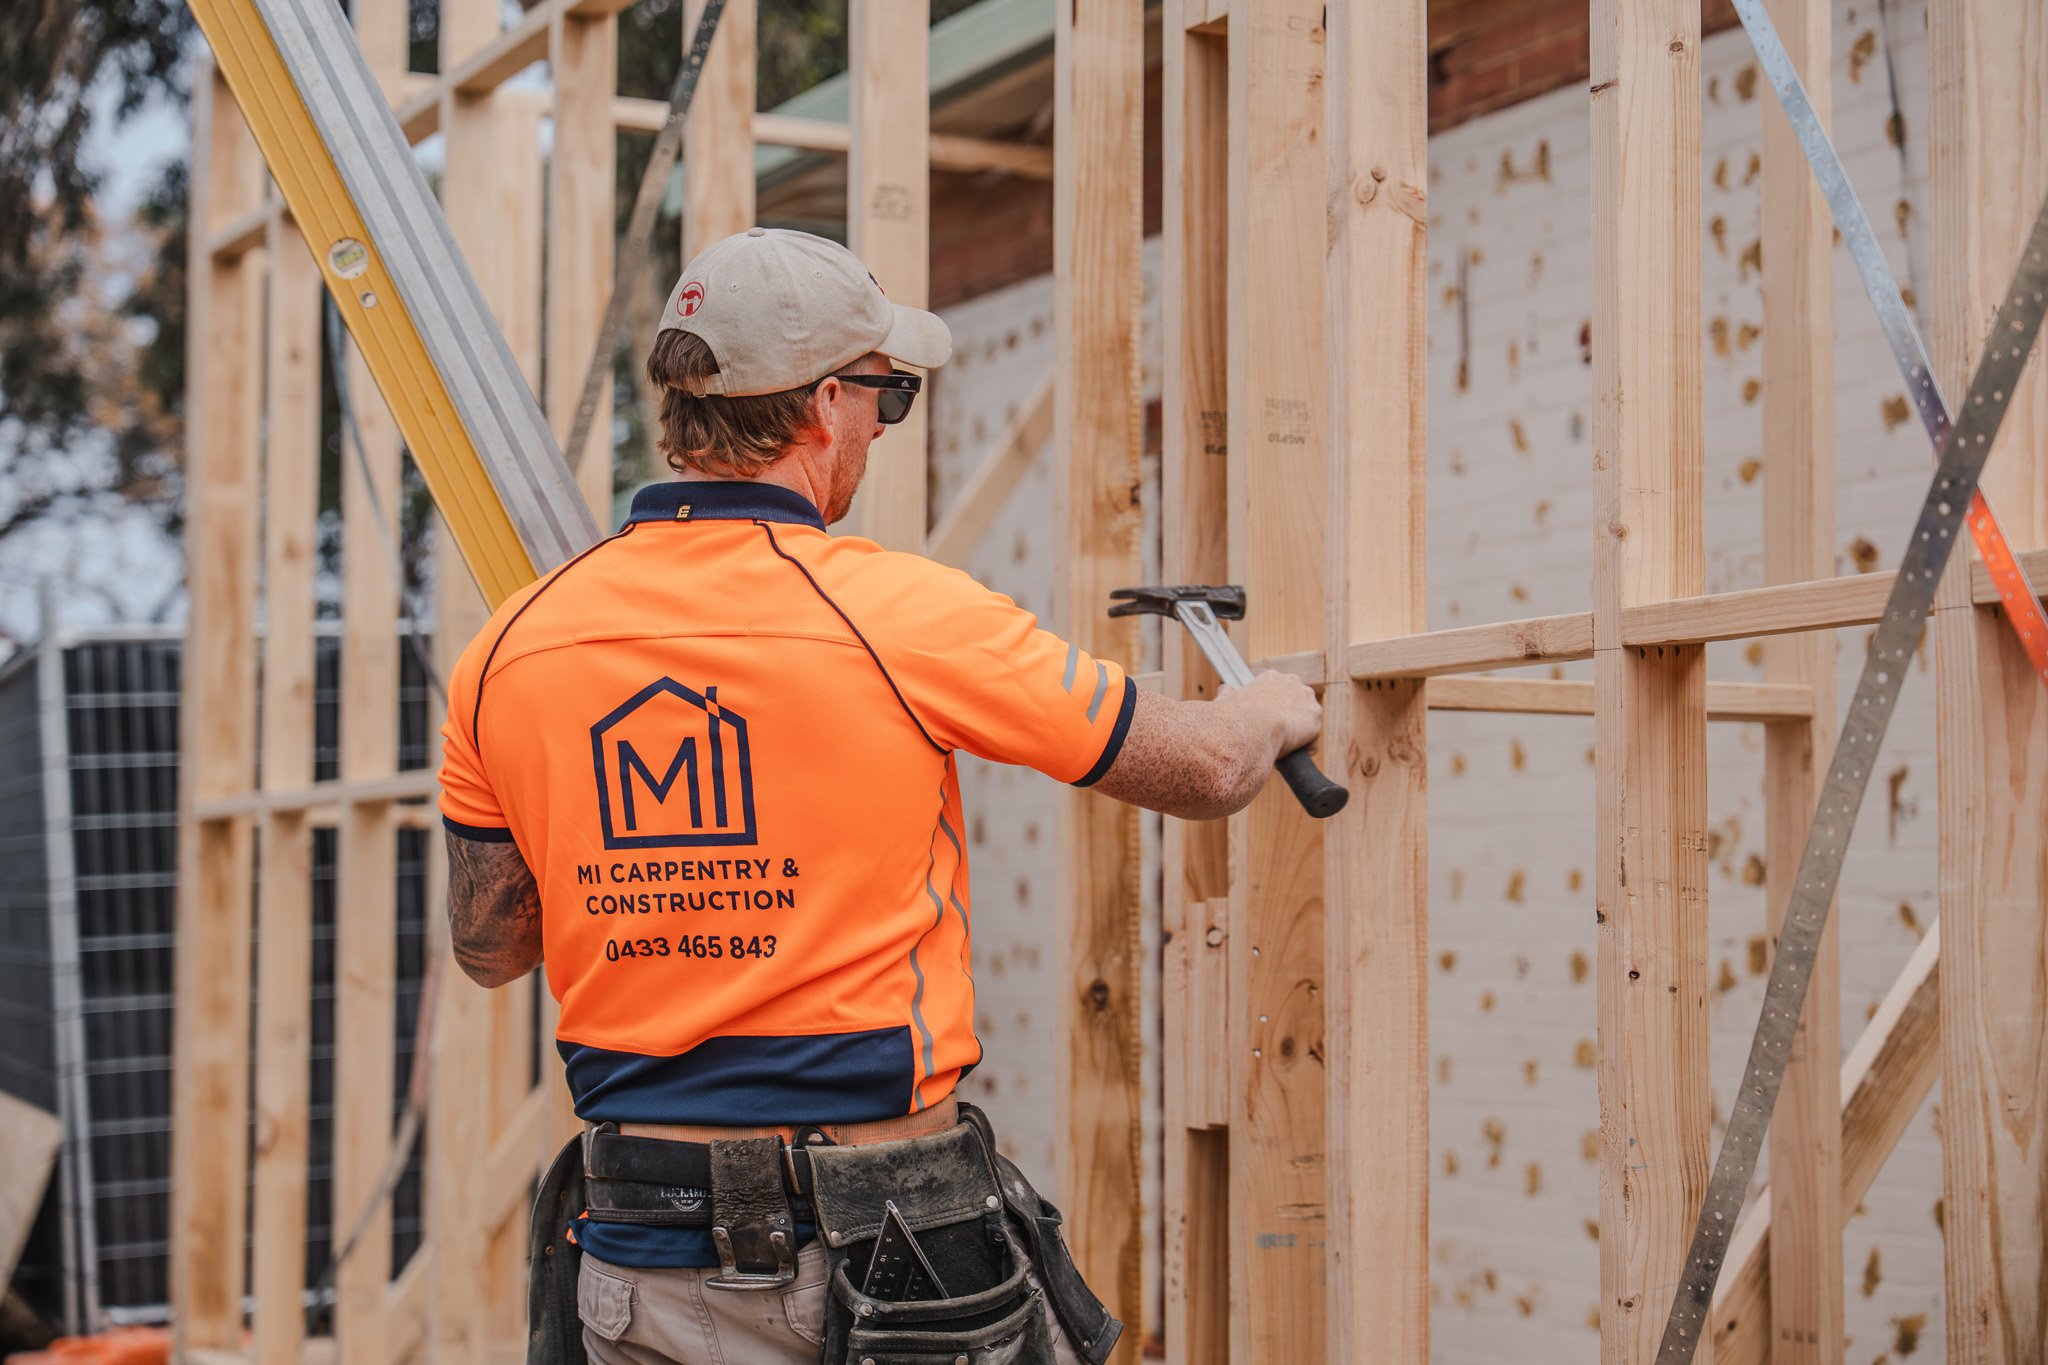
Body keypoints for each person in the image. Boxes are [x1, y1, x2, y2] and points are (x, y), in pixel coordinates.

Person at [437, 228, 1323, 1365]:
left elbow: (491, 945)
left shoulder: (510, 644)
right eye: (884, 395)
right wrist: (1273, 711)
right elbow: (1200, 770)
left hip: (634, 1264)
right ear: (821, 405)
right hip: (877, 1259)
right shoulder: (896, 612)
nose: (878, 424)